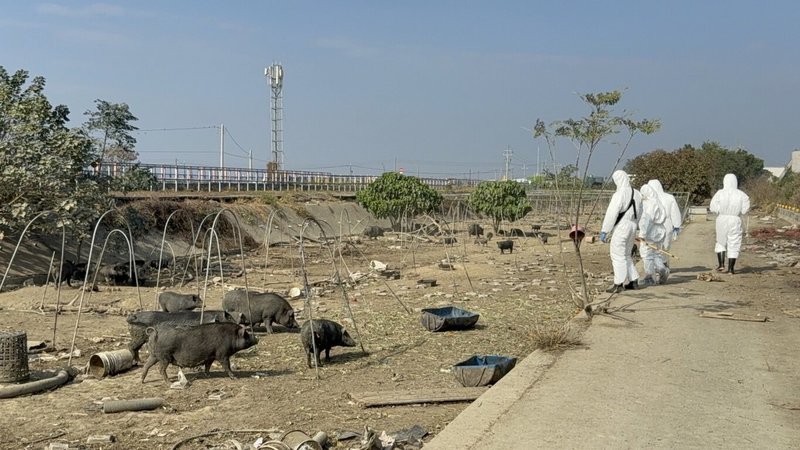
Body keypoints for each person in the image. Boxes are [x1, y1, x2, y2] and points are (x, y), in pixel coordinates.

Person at [600, 170, 643, 293]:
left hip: (622, 227)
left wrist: (605, 230)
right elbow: (640, 212)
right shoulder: (637, 193)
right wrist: (636, 224)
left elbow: (612, 213)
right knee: (626, 254)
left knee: (617, 255)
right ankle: (633, 280)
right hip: (633, 225)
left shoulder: (619, 194)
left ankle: (618, 283)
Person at [709, 173, 750, 274]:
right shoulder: (741, 194)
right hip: (735, 219)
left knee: (720, 241)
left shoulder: (720, 193)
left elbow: (713, 207)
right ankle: (731, 269)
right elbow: (745, 209)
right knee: (734, 242)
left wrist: (720, 210)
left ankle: (721, 265)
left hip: (722, 219)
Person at [647, 179, 683, 270]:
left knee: (655, 247)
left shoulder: (648, 199)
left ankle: (658, 267)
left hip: (653, 225)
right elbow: (674, 213)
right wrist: (676, 226)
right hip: (667, 224)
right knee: (665, 247)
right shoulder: (669, 197)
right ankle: (664, 266)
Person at [637, 184, 668, 285]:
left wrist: (642, 234)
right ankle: (662, 269)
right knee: (656, 253)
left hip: (651, 233)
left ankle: (649, 277)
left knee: (646, 254)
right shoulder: (657, 201)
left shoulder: (649, 204)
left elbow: (648, 220)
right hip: (660, 231)